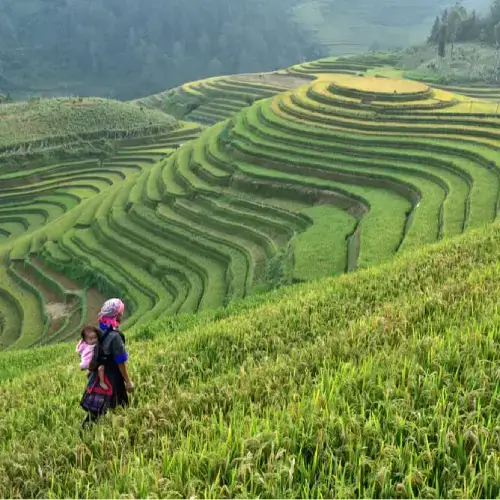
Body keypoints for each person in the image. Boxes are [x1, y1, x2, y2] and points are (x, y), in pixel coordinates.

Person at [80, 298, 134, 427]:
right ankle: (122, 427)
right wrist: (128, 381)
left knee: (95, 412)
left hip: (97, 377)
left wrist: (90, 370)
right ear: (117, 315)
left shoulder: (99, 330)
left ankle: (91, 430)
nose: (122, 315)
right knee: (122, 404)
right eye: (121, 312)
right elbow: (121, 361)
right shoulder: (115, 336)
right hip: (112, 378)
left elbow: (95, 351)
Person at [76, 325, 108, 390]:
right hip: (90, 362)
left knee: (92, 369)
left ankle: (89, 373)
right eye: (91, 339)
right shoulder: (92, 346)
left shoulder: (84, 344)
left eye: (95, 337)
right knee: (101, 368)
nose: (94, 340)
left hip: (87, 363)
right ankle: (102, 382)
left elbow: (79, 350)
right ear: (85, 340)